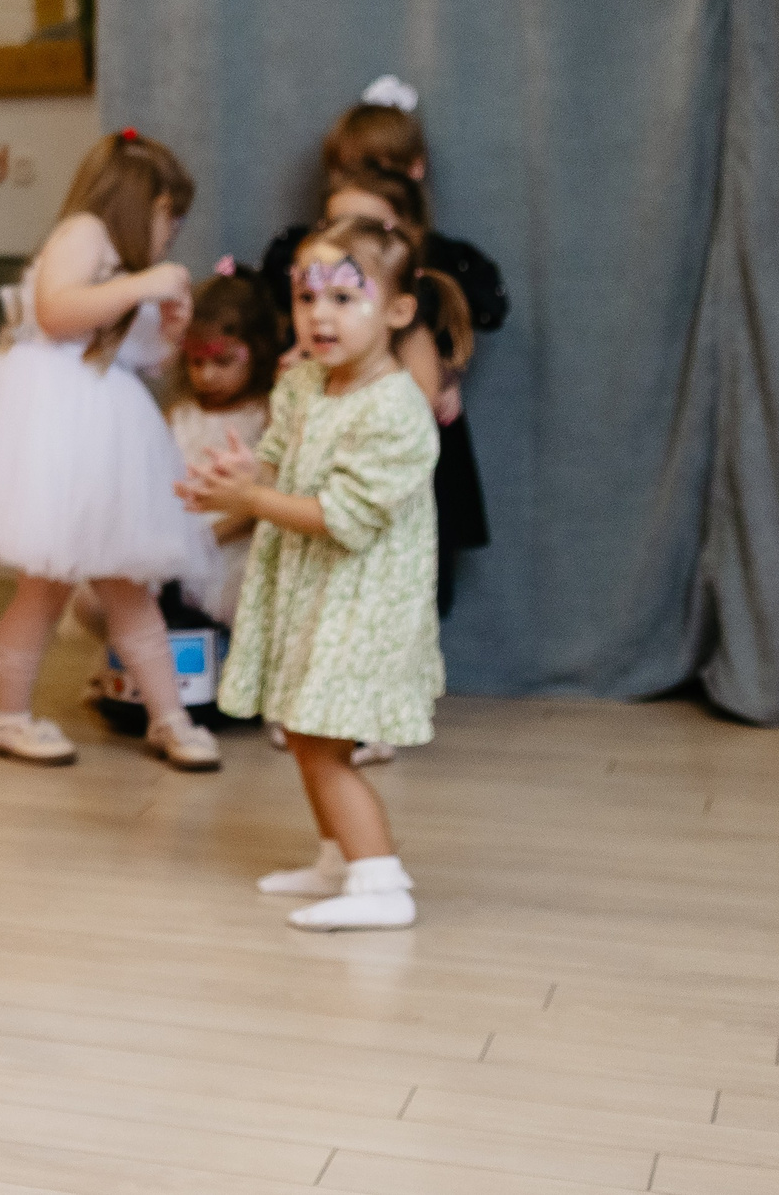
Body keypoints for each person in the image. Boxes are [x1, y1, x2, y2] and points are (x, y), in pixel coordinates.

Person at [182, 217, 468, 930]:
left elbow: (344, 515)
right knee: (307, 729)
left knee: (324, 739)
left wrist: (251, 501)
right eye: (308, 298)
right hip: (316, 593)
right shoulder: (306, 382)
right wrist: (247, 474)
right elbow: (280, 456)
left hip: (363, 604)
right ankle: (340, 859)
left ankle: (381, 882)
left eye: (344, 298)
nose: (320, 315)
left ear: (398, 311)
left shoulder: (398, 410)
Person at [0, 130, 225, 771]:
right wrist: (144, 285)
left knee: (127, 588)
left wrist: (170, 332)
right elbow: (55, 312)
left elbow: (133, 358)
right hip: (55, 435)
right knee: (44, 586)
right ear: (139, 203)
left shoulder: (123, 272)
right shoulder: (83, 234)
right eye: (170, 217)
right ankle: (6, 714)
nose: (173, 232)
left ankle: (169, 717)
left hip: (103, 439)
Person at [259, 79, 507, 616]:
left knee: (410, 564)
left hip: (399, 455)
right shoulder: (315, 273)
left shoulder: (427, 285)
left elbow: (453, 329)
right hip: (334, 451)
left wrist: (447, 373)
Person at [164, 265, 281, 629]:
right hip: (178, 538)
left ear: (258, 351)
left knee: (244, 600)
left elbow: (264, 500)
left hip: (234, 546)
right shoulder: (179, 414)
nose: (207, 375)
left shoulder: (265, 415)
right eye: (196, 361)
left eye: (223, 361)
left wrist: (206, 538)